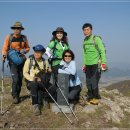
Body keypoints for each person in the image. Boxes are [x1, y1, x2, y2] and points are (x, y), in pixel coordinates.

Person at [2, 22, 30, 104]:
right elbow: (5, 47)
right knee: (15, 79)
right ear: (13, 29)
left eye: (18, 28)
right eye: (15, 28)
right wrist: (3, 55)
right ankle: (14, 96)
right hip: (12, 61)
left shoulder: (24, 38)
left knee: (20, 79)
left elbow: (28, 47)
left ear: (21, 29)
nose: (17, 30)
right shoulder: (9, 37)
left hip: (22, 60)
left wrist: (24, 50)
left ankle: (17, 94)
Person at [82, 23, 107, 105]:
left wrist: (104, 63)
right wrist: (84, 64)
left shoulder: (96, 39)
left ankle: (96, 98)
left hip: (96, 64)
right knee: (88, 82)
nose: (86, 31)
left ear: (91, 30)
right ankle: (90, 97)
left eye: (88, 29)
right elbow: (84, 54)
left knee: (94, 82)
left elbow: (102, 51)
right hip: (88, 65)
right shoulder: (85, 41)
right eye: (84, 30)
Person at [23, 44, 51, 116]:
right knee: (34, 84)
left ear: (42, 53)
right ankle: (35, 106)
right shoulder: (29, 60)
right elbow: (25, 73)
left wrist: (48, 71)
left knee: (50, 85)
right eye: (35, 51)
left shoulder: (45, 62)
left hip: (42, 82)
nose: (36, 53)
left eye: (39, 52)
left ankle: (45, 99)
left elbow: (46, 73)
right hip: (31, 82)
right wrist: (33, 78)